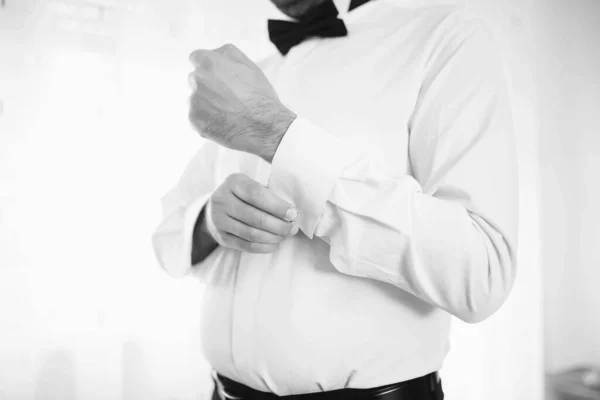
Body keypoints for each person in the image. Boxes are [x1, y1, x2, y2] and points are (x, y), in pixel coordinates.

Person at [151, 0, 519, 398]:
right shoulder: (255, 76)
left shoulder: (445, 38)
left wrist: (277, 135)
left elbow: (481, 274)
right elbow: (168, 236)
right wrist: (208, 220)